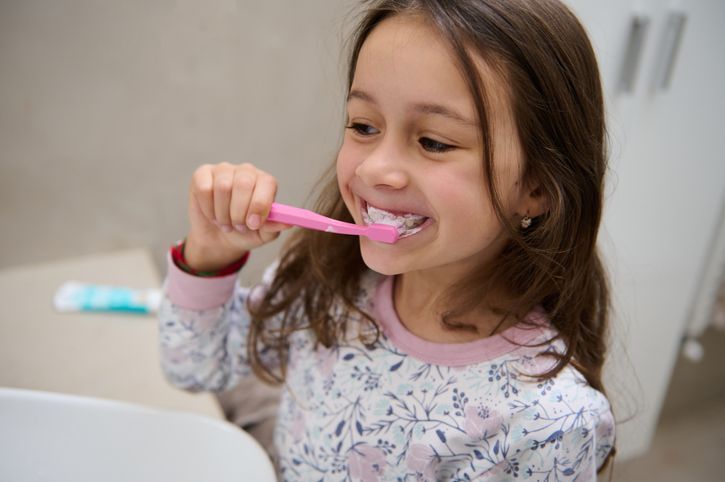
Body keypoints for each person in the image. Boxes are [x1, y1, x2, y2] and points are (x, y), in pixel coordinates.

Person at [158, 0, 616, 480]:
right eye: (363, 126)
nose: (374, 168)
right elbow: (195, 370)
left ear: (537, 187)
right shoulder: (327, 279)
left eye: (434, 141)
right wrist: (209, 253)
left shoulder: (548, 424)